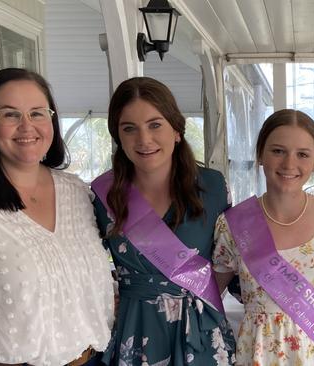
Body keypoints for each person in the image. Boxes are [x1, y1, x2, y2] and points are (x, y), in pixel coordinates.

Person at [0, 68, 114, 365]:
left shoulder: (77, 193)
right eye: (10, 114)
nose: (27, 126)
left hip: (89, 359)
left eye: (37, 113)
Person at [92, 77, 235, 366]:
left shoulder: (213, 187)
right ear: (118, 137)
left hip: (200, 335)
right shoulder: (102, 195)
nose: (143, 140)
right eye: (129, 128)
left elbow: (227, 258)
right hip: (134, 334)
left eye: (155, 124)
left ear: (177, 130)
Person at [212, 109, 314, 366]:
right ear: (261, 155)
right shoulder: (233, 223)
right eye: (278, 151)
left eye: (302, 154)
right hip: (257, 354)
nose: (289, 164)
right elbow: (211, 296)